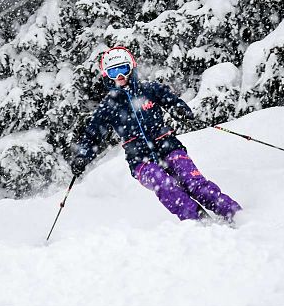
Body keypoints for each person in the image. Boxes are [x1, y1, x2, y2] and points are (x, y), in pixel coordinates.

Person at [70, 46, 242, 222]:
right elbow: (93, 136)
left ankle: (235, 214)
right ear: (107, 76)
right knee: (165, 187)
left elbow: (173, 102)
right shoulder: (109, 106)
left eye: (123, 69)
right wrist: (82, 156)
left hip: (169, 148)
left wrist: (180, 110)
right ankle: (198, 221)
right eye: (113, 72)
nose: (119, 76)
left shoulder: (150, 90)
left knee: (195, 183)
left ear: (132, 68)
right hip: (140, 161)